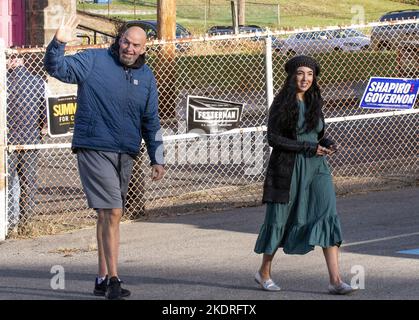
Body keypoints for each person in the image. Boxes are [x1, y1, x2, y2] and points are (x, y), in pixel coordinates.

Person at [44, 16, 165, 300]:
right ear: (119, 39)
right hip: (94, 146)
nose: (129, 48)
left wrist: (157, 158)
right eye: (125, 41)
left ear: (144, 49)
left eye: (136, 45)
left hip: (125, 152)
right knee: (113, 211)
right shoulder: (94, 61)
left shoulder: (146, 77)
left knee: (106, 215)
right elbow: (56, 67)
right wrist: (58, 43)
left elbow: (151, 120)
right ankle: (113, 278)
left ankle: (100, 278)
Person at [254, 55, 357, 295]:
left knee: (326, 213)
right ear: (291, 76)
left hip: (317, 168)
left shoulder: (314, 101)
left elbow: (318, 135)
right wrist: (308, 147)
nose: (305, 79)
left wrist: (327, 142)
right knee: (279, 221)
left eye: (310, 74)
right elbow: (274, 138)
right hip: (288, 170)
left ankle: (335, 280)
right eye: (300, 73)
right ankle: (263, 273)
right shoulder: (281, 104)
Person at [6, 55, 47, 232]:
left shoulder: (4, 83)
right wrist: (41, 130)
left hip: (8, 139)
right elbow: (47, 113)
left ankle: (8, 220)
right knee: (28, 180)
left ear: (10, 61)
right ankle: (26, 221)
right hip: (31, 138)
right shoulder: (38, 82)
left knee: (6, 180)